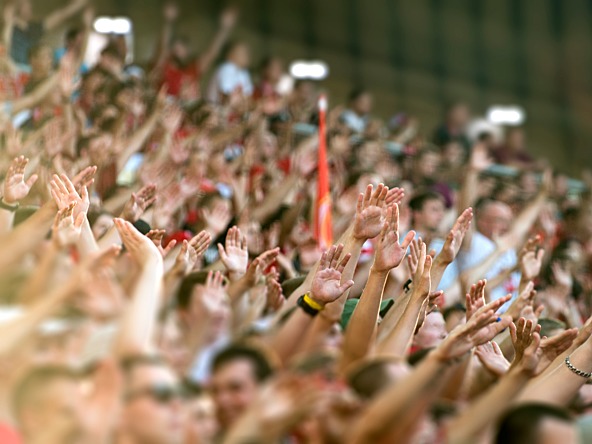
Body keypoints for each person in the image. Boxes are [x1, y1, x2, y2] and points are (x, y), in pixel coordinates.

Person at [3, 0, 88, 67]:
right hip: (10, 67)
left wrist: (78, 4)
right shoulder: (8, 27)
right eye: (25, 3)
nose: (30, 6)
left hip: (29, 69)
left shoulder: (35, 28)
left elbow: (59, 15)